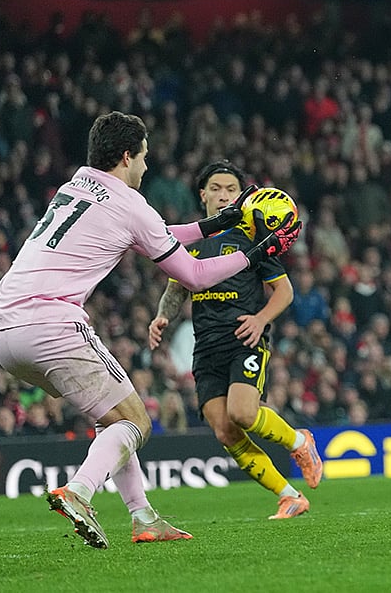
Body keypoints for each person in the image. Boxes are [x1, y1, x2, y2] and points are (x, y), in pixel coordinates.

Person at [0, 112, 302, 548]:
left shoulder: (76, 184)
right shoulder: (131, 204)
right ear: (126, 155)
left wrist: (218, 223)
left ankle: (144, 518)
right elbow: (191, 274)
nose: (147, 167)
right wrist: (256, 251)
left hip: (3, 327)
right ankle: (79, 491)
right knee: (136, 421)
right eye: (144, 157)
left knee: (110, 419)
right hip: (50, 323)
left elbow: (158, 234)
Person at [148, 160, 322, 520]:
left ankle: (300, 442)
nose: (223, 195)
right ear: (203, 195)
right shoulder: (188, 244)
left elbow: (284, 292)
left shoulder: (250, 238)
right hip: (205, 345)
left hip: (244, 338)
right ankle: (289, 496)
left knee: (242, 413)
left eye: (231, 189)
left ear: (242, 198)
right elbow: (175, 290)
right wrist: (163, 315)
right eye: (216, 188)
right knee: (226, 431)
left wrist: (260, 320)